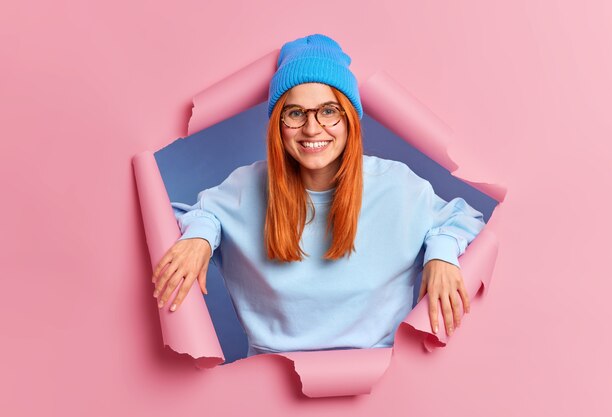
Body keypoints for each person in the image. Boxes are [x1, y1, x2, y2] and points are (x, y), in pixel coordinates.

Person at [152, 34, 486, 357]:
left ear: (349, 119)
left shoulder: (395, 185)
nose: (312, 129)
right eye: (296, 113)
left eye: (328, 111)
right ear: (278, 124)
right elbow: (193, 215)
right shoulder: (246, 186)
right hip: (270, 387)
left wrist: (442, 253)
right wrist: (200, 236)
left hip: (378, 385)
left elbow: (465, 218)